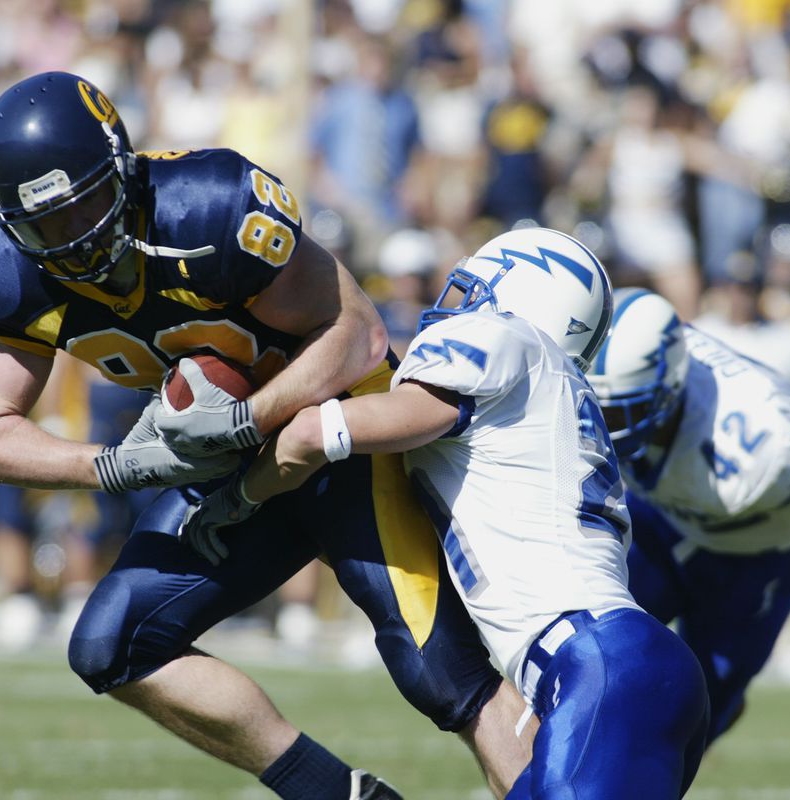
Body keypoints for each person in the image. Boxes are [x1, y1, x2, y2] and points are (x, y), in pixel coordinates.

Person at [0, 72, 529, 800]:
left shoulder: (209, 208)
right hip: (221, 464)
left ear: (121, 170)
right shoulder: (7, 273)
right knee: (113, 646)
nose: (73, 242)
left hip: (338, 434)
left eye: (84, 207)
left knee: (445, 674)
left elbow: (357, 333)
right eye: (44, 226)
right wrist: (116, 467)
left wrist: (249, 420)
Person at [183, 228, 710, 798]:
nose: (456, 305)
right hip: (615, 666)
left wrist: (237, 490)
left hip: (597, 668)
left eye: (476, 291)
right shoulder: (553, 390)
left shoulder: (502, 338)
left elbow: (316, 433)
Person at [586, 289, 790, 742]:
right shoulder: (632, 359)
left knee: (691, 718)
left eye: (620, 410)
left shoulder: (765, 446)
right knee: (588, 661)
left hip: (753, 556)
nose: (604, 422)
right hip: (659, 519)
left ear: (667, 390)